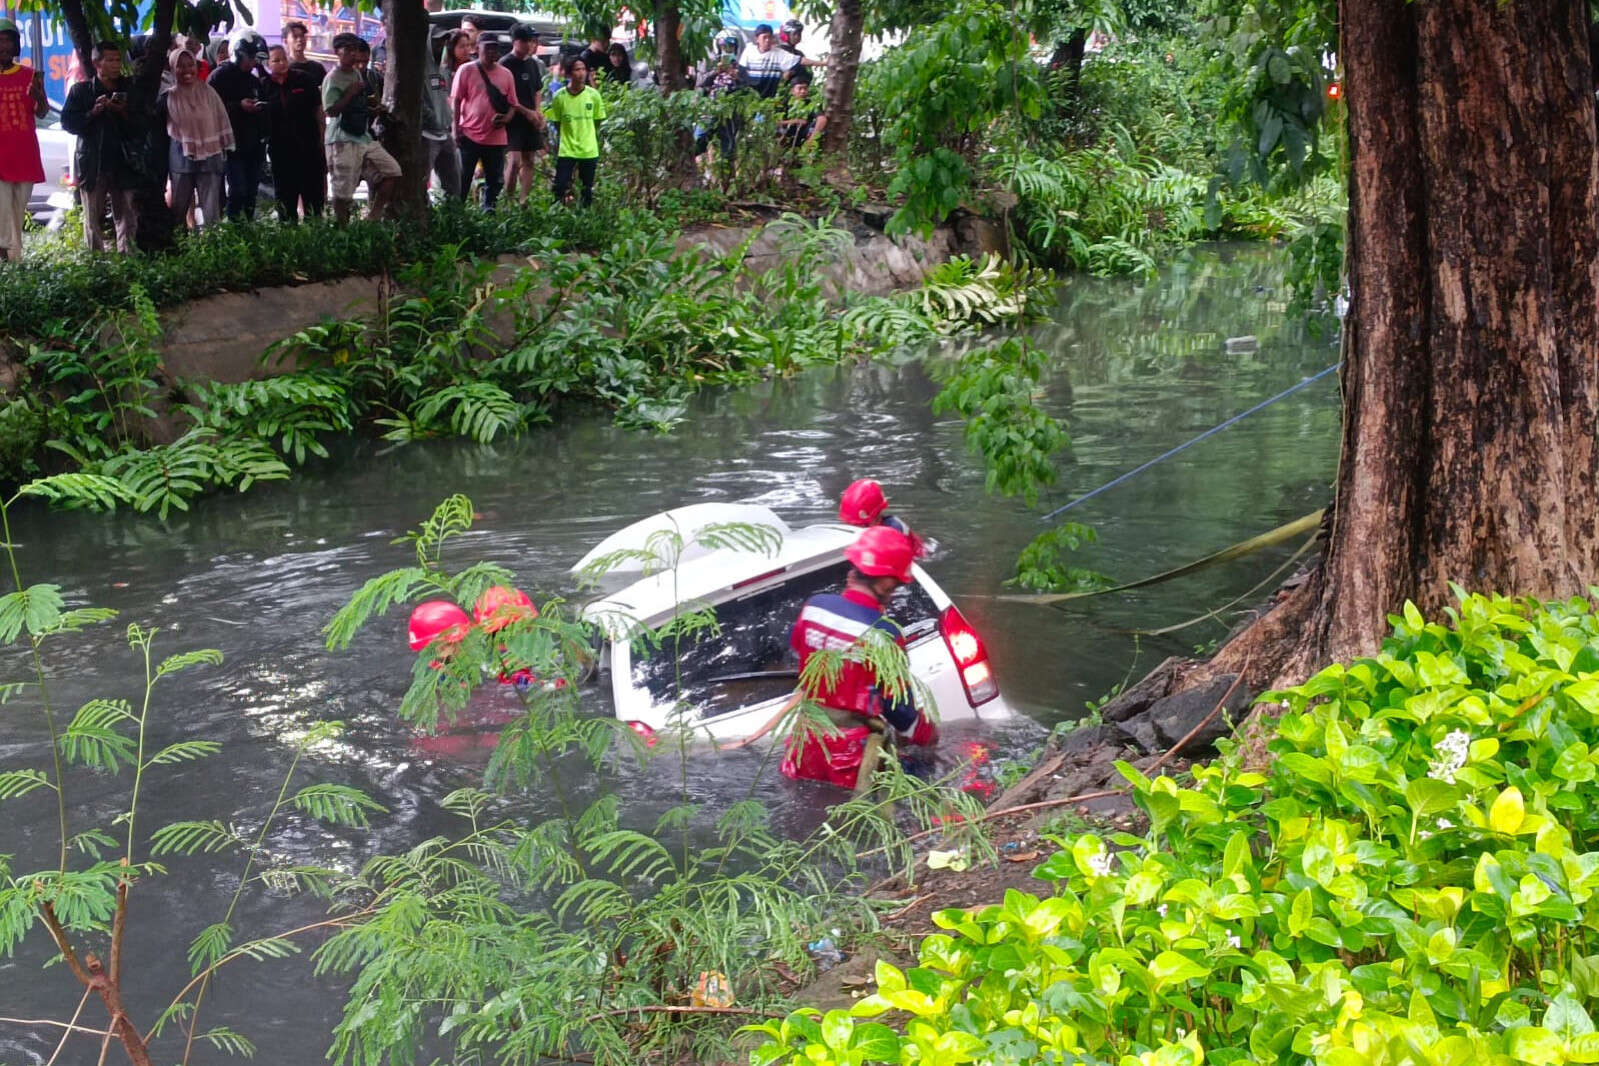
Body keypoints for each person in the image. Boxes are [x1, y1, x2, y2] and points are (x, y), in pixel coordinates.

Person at [783, 526, 939, 788]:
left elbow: (799, 648)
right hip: (850, 758)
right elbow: (899, 712)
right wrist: (928, 734)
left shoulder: (814, 607)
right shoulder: (885, 633)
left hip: (805, 747)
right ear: (887, 583)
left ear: (854, 568)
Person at [61, 40, 144, 252]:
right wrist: (93, 113)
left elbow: (142, 125)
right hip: (93, 164)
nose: (116, 65)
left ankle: (128, 259)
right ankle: (96, 263)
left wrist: (121, 111)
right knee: (92, 218)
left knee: (127, 216)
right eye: (110, 60)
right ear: (97, 63)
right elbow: (68, 123)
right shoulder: (82, 91)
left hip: (123, 162)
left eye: (118, 60)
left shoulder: (129, 88)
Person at [322, 31, 400, 224]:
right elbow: (330, 110)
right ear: (337, 52)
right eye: (347, 50)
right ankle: (342, 231)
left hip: (363, 136)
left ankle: (373, 217)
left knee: (392, 171)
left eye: (354, 50)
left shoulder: (357, 73)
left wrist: (373, 109)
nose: (352, 54)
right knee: (343, 192)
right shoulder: (333, 77)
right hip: (341, 139)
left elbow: (358, 106)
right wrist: (349, 93)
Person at [158, 46, 233, 231]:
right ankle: (178, 249)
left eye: (190, 65)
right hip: (181, 160)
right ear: (173, 69)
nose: (186, 70)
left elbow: (221, 119)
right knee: (179, 208)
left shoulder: (209, 93)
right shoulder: (168, 97)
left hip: (210, 158)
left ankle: (210, 248)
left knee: (211, 211)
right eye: (180, 66)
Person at [450, 32, 516, 210]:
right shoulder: (466, 70)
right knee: (463, 178)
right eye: (488, 48)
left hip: (496, 137)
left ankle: (489, 212)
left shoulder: (506, 74)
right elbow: (456, 101)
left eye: (495, 48)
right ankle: (457, 213)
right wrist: (455, 130)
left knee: (494, 180)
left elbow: (513, 104)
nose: (492, 52)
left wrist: (506, 118)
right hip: (469, 134)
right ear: (477, 48)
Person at [0, 17, 48, 261]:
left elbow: (42, 112)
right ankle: (6, 260)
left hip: (24, 155)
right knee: (2, 213)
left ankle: (14, 261)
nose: (4, 46)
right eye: (0, 41)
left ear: (16, 45)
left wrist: (39, 95)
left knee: (17, 214)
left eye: (8, 41)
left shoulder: (31, 75)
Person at [208, 29, 269, 221]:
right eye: (250, 57)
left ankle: (248, 229)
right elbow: (210, 109)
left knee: (251, 192)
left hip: (254, 144)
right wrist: (238, 106)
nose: (253, 63)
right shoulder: (219, 76)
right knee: (238, 190)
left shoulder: (254, 80)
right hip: (231, 145)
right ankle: (234, 230)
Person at [261, 44, 325, 221]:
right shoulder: (263, 86)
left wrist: (321, 137)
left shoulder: (304, 79)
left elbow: (318, 109)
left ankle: (315, 232)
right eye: (276, 60)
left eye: (284, 58)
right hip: (280, 150)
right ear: (267, 64)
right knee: (285, 198)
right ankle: (288, 236)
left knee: (313, 197)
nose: (282, 63)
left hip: (308, 146)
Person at [545, 56, 606, 207]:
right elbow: (556, 122)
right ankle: (558, 214)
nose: (581, 73)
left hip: (588, 149)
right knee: (560, 186)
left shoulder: (593, 95)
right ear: (568, 73)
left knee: (586, 189)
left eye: (583, 69)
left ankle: (585, 218)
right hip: (567, 150)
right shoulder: (559, 97)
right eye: (577, 69)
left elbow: (597, 121)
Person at [500, 24, 546, 202]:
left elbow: (537, 90)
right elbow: (506, 97)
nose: (530, 44)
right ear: (516, 41)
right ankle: (508, 199)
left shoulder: (533, 63)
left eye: (532, 40)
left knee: (529, 160)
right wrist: (526, 112)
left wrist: (537, 112)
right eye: (526, 40)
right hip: (514, 120)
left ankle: (523, 200)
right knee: (514, 161)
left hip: (531, 119)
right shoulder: (506, 64)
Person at [421, 28, 462, 198]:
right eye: (436, 40)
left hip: (444, 133)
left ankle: (453, 217)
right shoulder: (420, 67)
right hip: (426, 134)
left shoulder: (443, 67)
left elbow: (443, 97)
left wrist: (447, 122)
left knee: (453, 182)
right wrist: (432, 119)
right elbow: (419, 102)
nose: (440, 44)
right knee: (421, 179)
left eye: (443, 41)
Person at [737, 23, 805, 98]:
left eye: (770, 37)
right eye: (764, 37)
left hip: (776, 95)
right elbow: (741, 74)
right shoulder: (749, 51)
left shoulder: (784, 53)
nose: (768, 40)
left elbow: (801, 63)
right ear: (757, 39)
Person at [777, 68, 825, 149]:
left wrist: (812, 139)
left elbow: (822, 119)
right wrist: (795, 121)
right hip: (786, 136)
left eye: (805, 89)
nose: (803, 91)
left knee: (815, 126)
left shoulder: (811, 104)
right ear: (792, 91)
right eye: (800, 88)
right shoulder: (783, 103)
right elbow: (773, 121)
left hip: (803, 138)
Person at [283, 20, 326, 85]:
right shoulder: (284, 68)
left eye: (302, 36)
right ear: (286, 41)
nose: (300, 39)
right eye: (295, 37)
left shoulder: (317, 67)